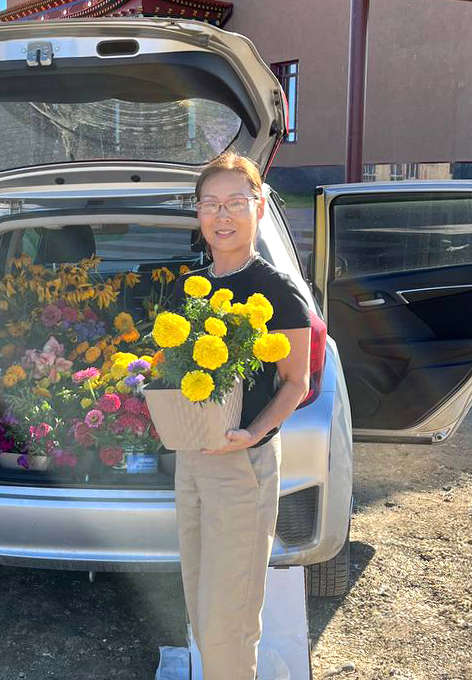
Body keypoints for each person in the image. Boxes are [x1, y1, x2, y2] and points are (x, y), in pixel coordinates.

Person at [171, 152, 312, 680]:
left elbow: (296, 383)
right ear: (198, 213)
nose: (221, 216)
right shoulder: (194, 287)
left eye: (234, 203)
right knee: (201, 607)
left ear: (259, 207)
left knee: (229, 616)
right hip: (192, 461)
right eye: (210, 204)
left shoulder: (278, 292)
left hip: (242, 466)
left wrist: (252, 432)